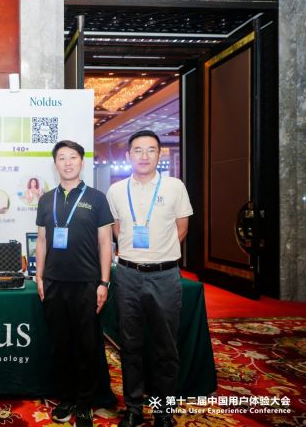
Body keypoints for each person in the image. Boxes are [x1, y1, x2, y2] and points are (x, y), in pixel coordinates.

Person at [106, 130, 193, 427]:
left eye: (151, 150)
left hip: (165, 275)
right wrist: (135, 253)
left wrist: (160, 253)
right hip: (128, 275)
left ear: (159, 154)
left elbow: (182, 228)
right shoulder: (116, 190)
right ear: (128, 155)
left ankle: (162, 410)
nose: (144, 156)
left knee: (165, 347)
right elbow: (117, 228)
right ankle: (133, 408)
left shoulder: (175, 186)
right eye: (138, 150)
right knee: (130, 345)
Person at [35, 140, 116, 427]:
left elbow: (105, 242)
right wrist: (39, 277)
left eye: (72, 157)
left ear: (81, 162)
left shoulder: (96, 198)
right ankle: (66, 397)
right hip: (54, 283)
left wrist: (104, 282)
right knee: (60, 344)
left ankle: (84, 402)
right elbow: (42, 241)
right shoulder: (46, 199)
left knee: (86, 345)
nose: (67, 162)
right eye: (61, 158)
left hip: (86, 283)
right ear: (55, 164)